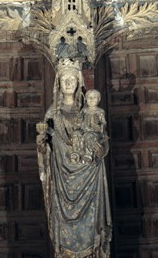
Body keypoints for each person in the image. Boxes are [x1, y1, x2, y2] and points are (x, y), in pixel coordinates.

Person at [37, 60, 111, 257]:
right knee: (63, 221)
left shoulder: (89, 109)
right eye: (64, 79)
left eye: (72, 79)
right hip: (62, 176)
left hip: (89, 174)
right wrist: (42, 143)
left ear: (78, 82)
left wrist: (99, 147)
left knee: (92, 223)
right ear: (58, 83)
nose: (68, 83)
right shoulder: (53, 113)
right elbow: (44, 147)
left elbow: (103, 139)